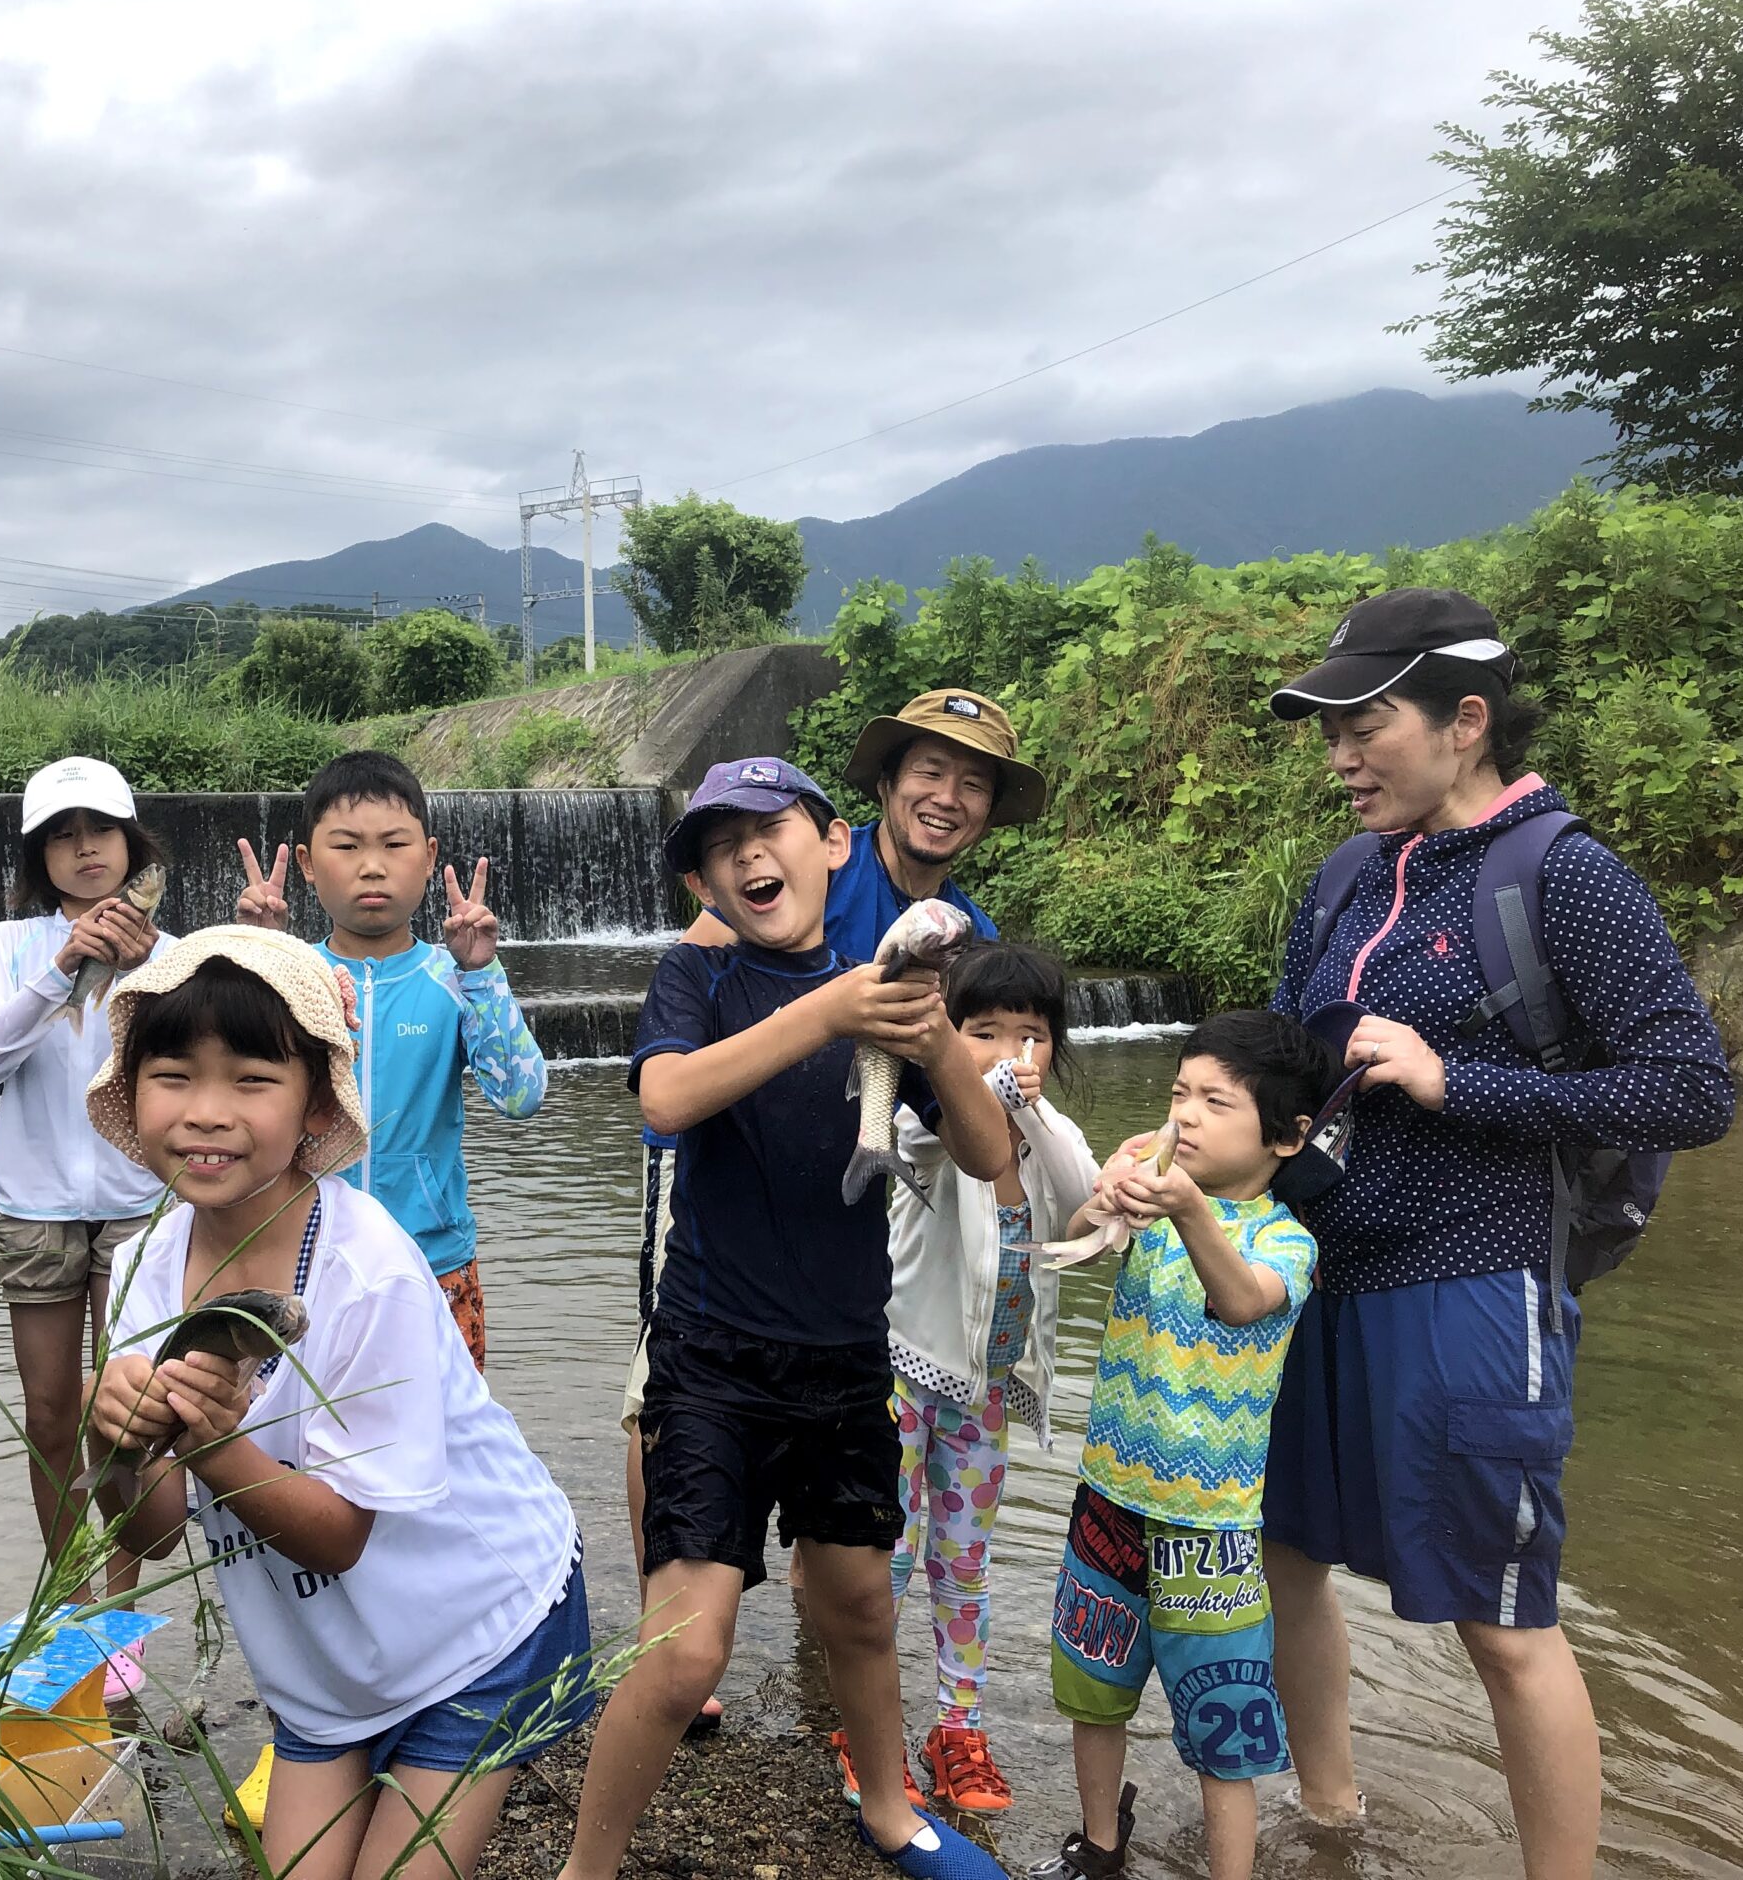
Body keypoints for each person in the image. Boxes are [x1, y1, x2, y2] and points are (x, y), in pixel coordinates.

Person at [1259, 588, 1735, 1880]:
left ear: (1466, 720)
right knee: (1284, 1551)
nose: (1341, 756)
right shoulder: (1348, 878)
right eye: (1330, 733)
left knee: (1501, 1616)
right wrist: (1197, 1135)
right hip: (1321, 1273)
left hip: (1474, 1277)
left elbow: (1693, 1086)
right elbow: (1284, 1052)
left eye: (1366, 725)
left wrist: (1455, 1081)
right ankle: (1334, 1823)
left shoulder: (1562, 876)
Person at [559, 758, 1013, 1880]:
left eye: (773, 829)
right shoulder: (696, 983)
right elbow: (664, 1101)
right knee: (683, 1650)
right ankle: (584, 1868)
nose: (750, 854)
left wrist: (935, 1041)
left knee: (860, 1608)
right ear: (705, 883)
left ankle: (887, 1805)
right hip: (711, 1360)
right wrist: (831, 1008)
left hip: (847, 1361)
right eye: (721, 846)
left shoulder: (888, 995)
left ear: (836, 845)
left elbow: (988, 1156)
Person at [83, 927, 591, 1880]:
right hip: (324, 1661)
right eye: (172, 1075)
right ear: (131, 1087)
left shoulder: (370, 1269)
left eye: (250, 1079)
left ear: (315, 1098)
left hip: (472, 1622)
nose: (206, 1113)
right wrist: (112, 1440)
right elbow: (148, 1535)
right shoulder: (141, 1272)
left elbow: (338, 1537)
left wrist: (206, 1441)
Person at [634, 687, 1048, 1729]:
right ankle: (678, 1638)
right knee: (662, 1396)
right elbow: (708, 973)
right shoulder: (790, 860)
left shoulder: (965, 934)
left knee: (855, 1409)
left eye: (973, 783)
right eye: (929, 772)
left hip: (862, 1185)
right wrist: (818, 1009)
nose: (946, 797)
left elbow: (974, 1111)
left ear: (991, 811)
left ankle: (837, 1654)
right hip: (720, 1177)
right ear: (875, 792)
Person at [1034, 1011, 1339, 1880]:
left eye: (1217, 1101)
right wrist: (1109, 1191)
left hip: (1210, 1530)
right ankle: (1099, 1844)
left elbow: (1242, 1300)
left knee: (1225, 1721)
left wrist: (1190, 1208)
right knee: (1093, 1690)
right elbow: (1085, 1241)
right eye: (1180, 1095)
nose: (1189, 1116)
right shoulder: (1157, 1200)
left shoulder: (1287, 1240)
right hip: (1109, 1501)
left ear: (1287, 1134)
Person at [231, 750, 546, 1371]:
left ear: (429, 858)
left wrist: (482, 972)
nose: (372, 867)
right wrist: (254, 953)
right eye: (345, 847)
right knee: (295, 1447)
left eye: (394, 845)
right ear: (306, 865)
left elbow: (522, 1098)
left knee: (449, 1447)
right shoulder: (291, 975)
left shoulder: (453, 979)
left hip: (433, 1259)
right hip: (300, 1257)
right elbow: (228, 1091)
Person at [879, 941, 1097, 1813]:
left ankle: (958, 1728)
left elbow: (1086, 1203)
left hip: (987, 1388)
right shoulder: (919, 1125)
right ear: (944, 1038)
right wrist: (965, 1090)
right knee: (888, 1559)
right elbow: (928, 1141)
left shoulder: (1051, 1133)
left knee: (964, 1564)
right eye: (984, 1032)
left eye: (1032, 1035)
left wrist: (1035, 1120)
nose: (1011, 1053)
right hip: (897, 1373)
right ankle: (870, 1727)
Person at [0, 757, 169, 1602]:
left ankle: (120, 1605)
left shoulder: (174, 951)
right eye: (63, 836)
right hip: (34, 1206)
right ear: (39, 856)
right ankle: (68, 1597)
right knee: (49, 1414)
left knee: (122, 1418)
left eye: (101, 833)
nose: (86, 851)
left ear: (130, 844)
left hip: (140, 1206)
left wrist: (145, 969)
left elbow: (194, 1068)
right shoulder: (11, 946)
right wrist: (59, 971)